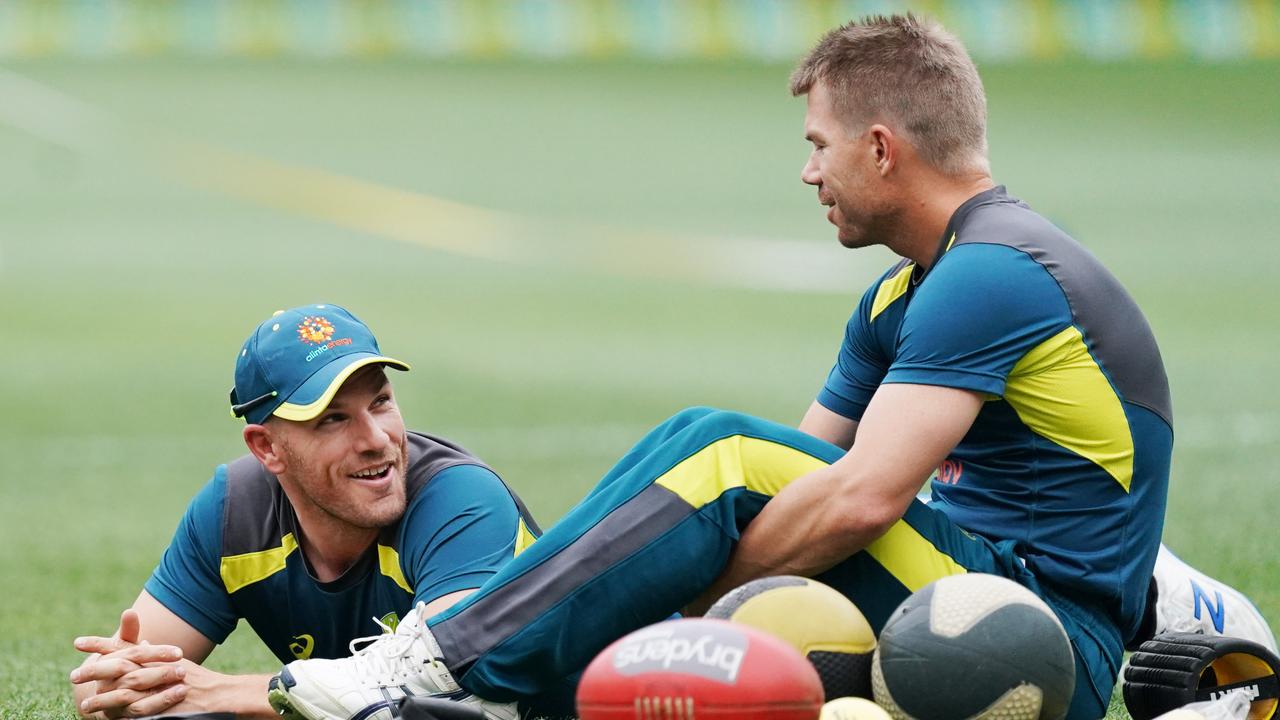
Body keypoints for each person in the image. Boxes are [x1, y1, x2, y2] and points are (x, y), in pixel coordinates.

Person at [267, 14, 1278, 720]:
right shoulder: (902, 294)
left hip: (1026, 647)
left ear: (880, 149)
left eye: (817, 145)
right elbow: (798, 466)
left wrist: (677, 612)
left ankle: (441, 668)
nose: (806, 172)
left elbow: (849, 503)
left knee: (718, 452)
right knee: (697, 445)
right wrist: (669, 592)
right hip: (953, 604)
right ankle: (481, 673)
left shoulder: (993, 274)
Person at [69, 304, 538, 720]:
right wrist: (111, 688)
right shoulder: (233, 513)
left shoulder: (459, 499)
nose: (376, 438)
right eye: (333, 418)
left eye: (381, 401)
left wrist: (235, 694)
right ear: (266, 446)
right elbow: (109, 678)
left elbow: (451, 682)